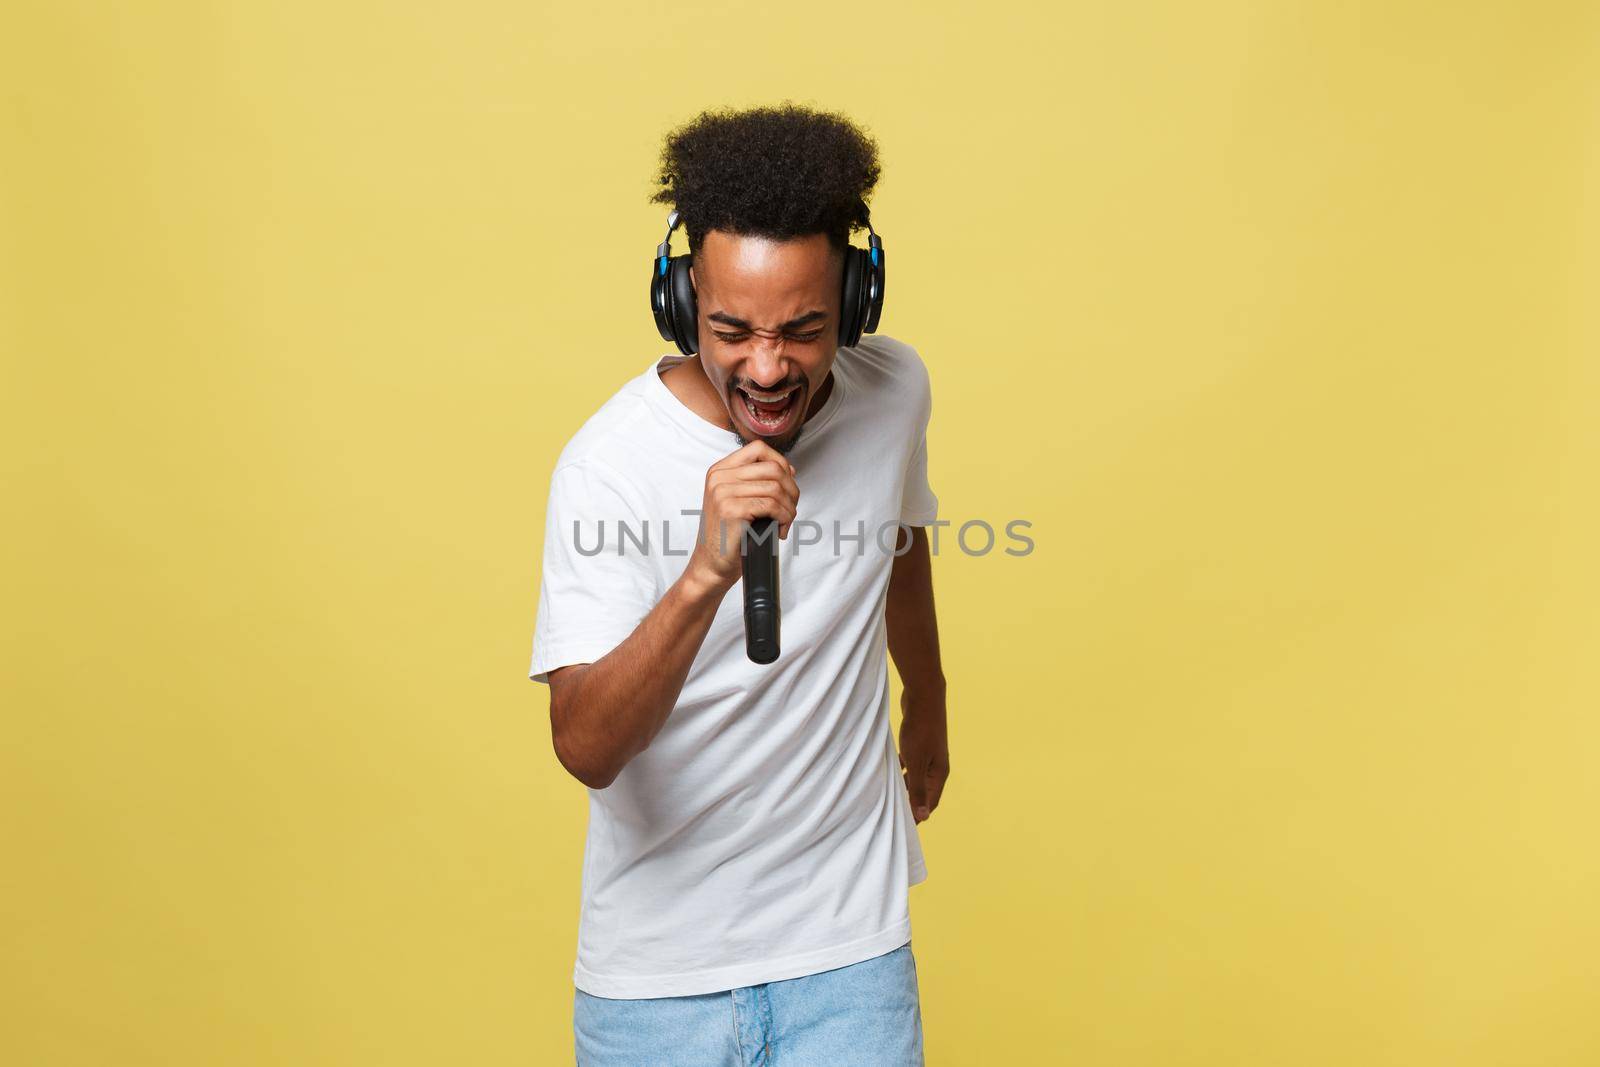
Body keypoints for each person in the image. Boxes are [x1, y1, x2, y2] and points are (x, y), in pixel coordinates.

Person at [528, 102, 950, 1066]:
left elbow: (901, 533)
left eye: (803, 330)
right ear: (682, 306)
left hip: (850, 962)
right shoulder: (608, 467)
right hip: (657, 985)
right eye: (731, 330)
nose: (767, 367)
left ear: (856, 300)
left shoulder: (894, 393)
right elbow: (585, 745)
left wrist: (928, 696)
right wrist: (704, 574)